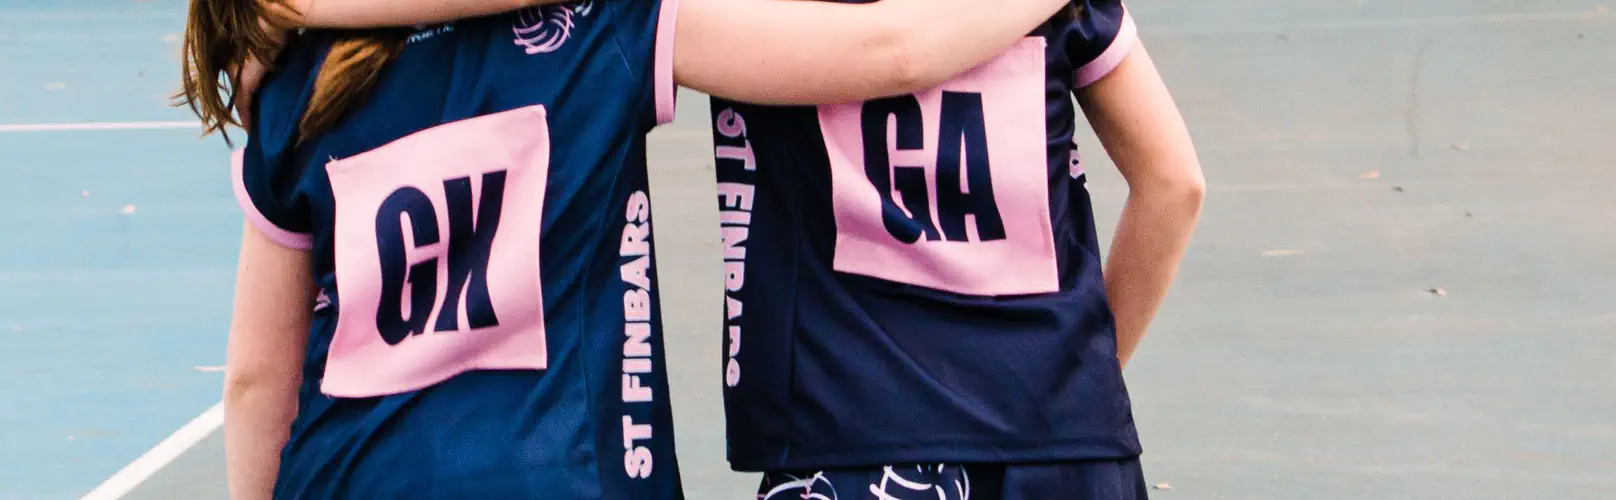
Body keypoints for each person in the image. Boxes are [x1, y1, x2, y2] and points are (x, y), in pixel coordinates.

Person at [175, 0, 1074, 498]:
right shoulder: (600, 29)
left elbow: (256, 379)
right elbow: (890, 51)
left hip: (349, 474)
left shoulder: (300, 84)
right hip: (557, 474)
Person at [713, 2, 1206, 498]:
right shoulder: (1068, 11)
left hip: (852, 429)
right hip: (1063, 434)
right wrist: (1082, 373)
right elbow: (1173, 182)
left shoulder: (747, 13)